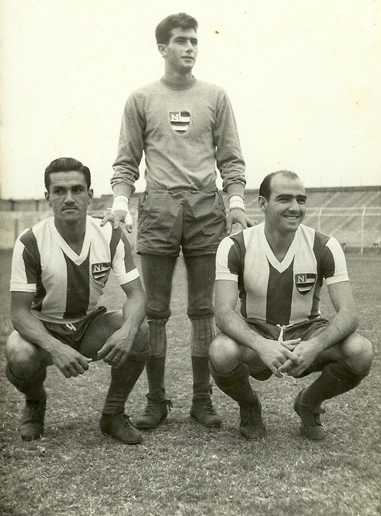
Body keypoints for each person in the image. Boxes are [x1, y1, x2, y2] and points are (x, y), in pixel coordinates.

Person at [102, 13, 253, 429]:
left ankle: (201, 400)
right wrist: (119, 201)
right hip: (159, 208)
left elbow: (232, 160)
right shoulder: (141, 98)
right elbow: (126, 161)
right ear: (163, 48)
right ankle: (156, 400)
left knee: (204, 310)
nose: (189, 47)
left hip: (206, 207)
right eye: (181, 41)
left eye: (194, 41)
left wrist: (236, 203)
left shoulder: (215, 96)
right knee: (153, 310)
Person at [209, 170, 373, 441]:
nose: (295, 208)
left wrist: (315, 346)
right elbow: (224, 313)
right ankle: (249, 406)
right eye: (284, 199)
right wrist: (261, 345)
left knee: (361, 350)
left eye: (301, 199)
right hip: (258, 332)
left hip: (307, 332)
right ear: (262, 204)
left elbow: (349, 313)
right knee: (221, 351)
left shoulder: (325, 245)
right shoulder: (234, 246)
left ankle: (309, 403)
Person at [5, 157, 150, 445]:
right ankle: (35, 403)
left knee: (140, 332)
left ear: (90, 195)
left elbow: (136, 295)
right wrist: (54, 347)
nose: (69, 198)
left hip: (88, 325)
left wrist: (128, 330)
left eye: (77, 190)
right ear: (48, 198)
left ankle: (113, 413)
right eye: (59, 191)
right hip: (44, 327)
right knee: (19, 353)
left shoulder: (109, 234)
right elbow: (20, 314)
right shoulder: (30, 241)